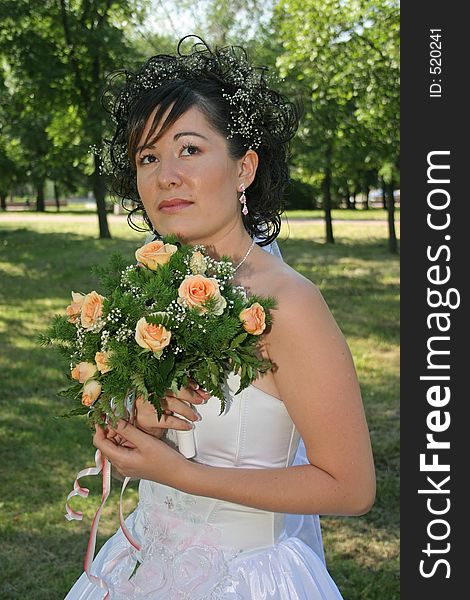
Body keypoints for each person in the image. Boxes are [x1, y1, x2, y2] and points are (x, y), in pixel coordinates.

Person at [65, 36, 375, 599]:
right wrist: (133, 423)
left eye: (188, 149)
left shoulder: (291, 305)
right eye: (147, 157)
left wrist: (184, 476)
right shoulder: (149, 292)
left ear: (244, 168)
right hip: (139, 564)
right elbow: (151, 442)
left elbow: (350, 488)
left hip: (246, 576)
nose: (165, 176)